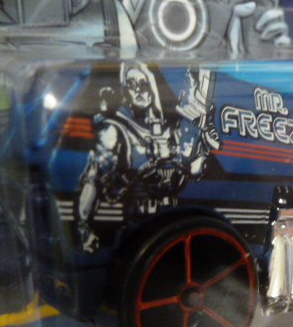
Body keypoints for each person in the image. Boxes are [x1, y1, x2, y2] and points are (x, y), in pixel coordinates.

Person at [76, 62, 218, 252]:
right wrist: (83, 226)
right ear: (125, 90)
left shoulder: (172, 130)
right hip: (139, 231)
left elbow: (194, 171)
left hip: (175, 227)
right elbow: (96, 180)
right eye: (132, 84)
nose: (139, 90)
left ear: (151, 88)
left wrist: (202, 147)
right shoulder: (116, 129)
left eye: (143, 84)